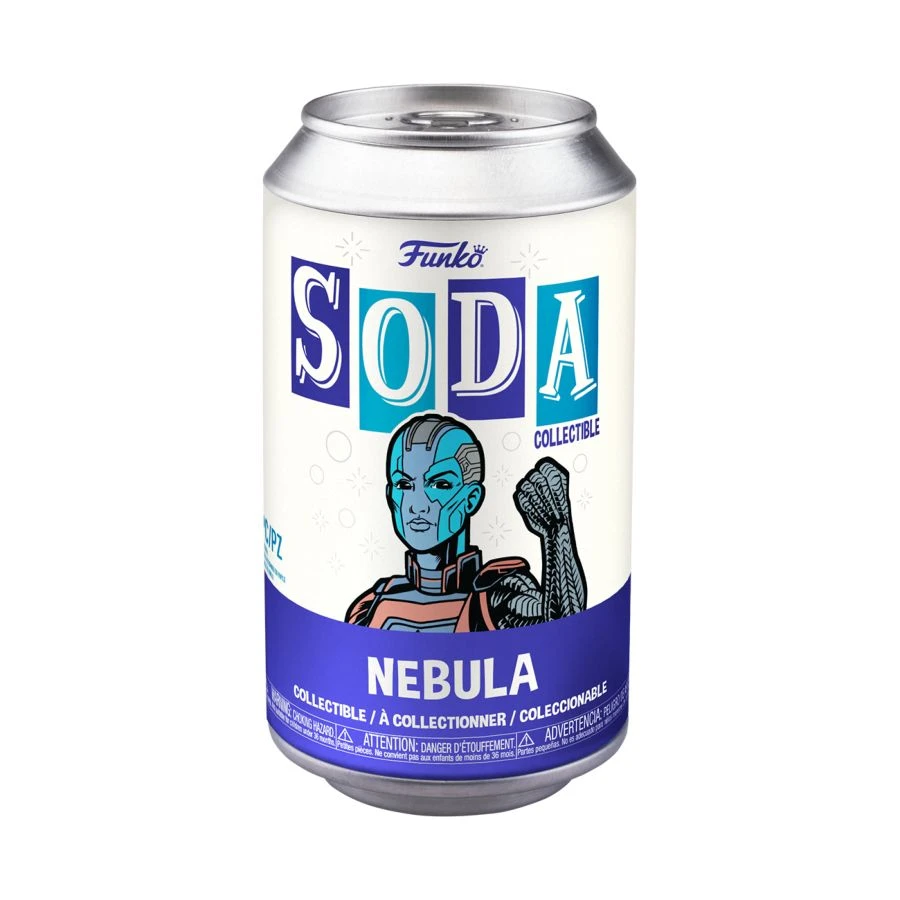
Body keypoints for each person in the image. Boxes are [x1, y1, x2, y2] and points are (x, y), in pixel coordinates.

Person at [345, 414, 587, 632]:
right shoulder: (373, 604)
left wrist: (557, 533)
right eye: (404, 485)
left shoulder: (497, 595)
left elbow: (564, 637)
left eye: (440, 485)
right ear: (390, 495)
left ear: (471, 499)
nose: (417, 505)